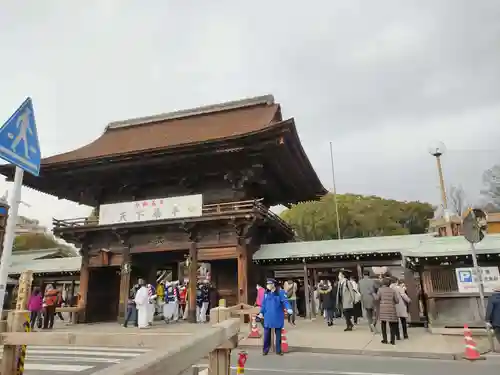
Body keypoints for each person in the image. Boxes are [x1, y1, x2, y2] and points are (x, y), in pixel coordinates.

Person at [258, 278, 292, 356]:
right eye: (267, 284)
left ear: (274, 284)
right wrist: (261, 313)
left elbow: (285, 301)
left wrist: (289, 308)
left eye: (270, 284)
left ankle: (278, 350)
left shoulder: (280, 292)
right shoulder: (266, 293)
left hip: (277, 316)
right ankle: (265, 350)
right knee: (266, 335)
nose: (268, 286)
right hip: (268, 316)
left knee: (278, 335)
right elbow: (263, 305)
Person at [375, 277, 399, 345]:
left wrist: (373, 294)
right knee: (392, 325)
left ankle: (385, 339)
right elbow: (397, 301)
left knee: (383, 324)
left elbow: (377, 298)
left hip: (383, 309)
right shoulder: (393, 290)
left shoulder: (380, 290)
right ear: (389, 283)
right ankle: (392, 340)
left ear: (383, 283)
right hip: (391, 309)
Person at [486, 283, 500, 352]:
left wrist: (487, 320)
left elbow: (489, 310)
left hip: (497, 322)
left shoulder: (492, 298)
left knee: (498, 334)